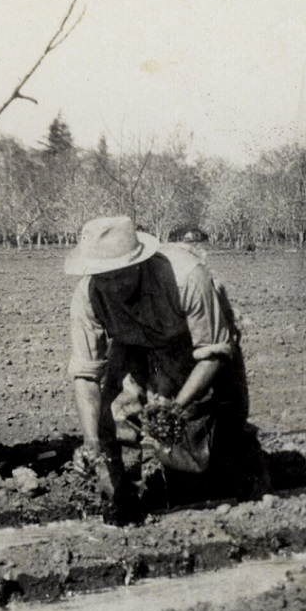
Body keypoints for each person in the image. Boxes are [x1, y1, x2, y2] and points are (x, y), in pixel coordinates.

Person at [66, 216, 262, 521]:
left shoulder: (186, 277)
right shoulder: (88, 296)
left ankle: (236, 472)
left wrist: (175, 408)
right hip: (130, 344)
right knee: (115, 413)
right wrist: (91, 441)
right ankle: (125, 495)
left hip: (194, 343)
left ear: (139, 264)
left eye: (120, 276)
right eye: (103, 277)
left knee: (197, 442)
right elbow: (86, 375)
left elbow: (214, 353)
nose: (113, 287)